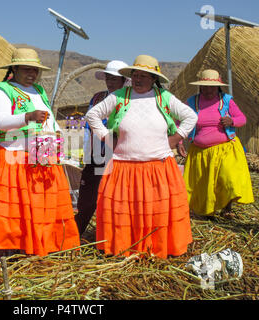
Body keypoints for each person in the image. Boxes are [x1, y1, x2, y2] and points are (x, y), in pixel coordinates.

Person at [86, 54, 198, 258]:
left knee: (156, 209)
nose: (138, 79)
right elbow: (93, 115)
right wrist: (105, 137)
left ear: (154, 79)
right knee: (127, 210)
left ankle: (157, 246)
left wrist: (176, 137)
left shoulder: (164, 98)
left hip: (158, 167)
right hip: (124, 166)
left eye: (144, 76)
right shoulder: (120, 96)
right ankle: (124, 246)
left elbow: (190, 116)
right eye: (135, 75)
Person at [0, 48, 80, 257]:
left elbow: (50, 119)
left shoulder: (38, 91)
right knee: (13, 209)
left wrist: (58, 138)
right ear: (14, 69)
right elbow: (1, 121)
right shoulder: (2, 90)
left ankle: (43, 245)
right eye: (27, 69)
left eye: (35, 70)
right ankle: (11, 249)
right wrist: (28, 117)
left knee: (41, 205)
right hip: (13, 156)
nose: (32, 74)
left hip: (41, 155)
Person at [179, 69, 254, 217]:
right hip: (200, 151)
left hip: (225, 149)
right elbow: (178, 121)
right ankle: (207, 211)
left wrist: (232, 120)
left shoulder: (226, 100)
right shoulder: (192, 102)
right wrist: (179, 140)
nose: (208, 90)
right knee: (204, 183)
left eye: (211, 87)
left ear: (218, 87)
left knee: (227, 178)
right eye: (204, 86)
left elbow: (242, 118)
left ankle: (227, 207)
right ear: (200, 86)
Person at [76, 60, 130, 236]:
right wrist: (86, 151)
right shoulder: (98, 98)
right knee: (87, 198)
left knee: (113, 198)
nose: (111, 82)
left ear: (123, 80)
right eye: (108, 78)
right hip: (95, 155)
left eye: (115, 79)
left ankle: (109, 236)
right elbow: (88, 127)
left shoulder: (129, 100)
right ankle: (76, 234)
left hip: (118, 157)